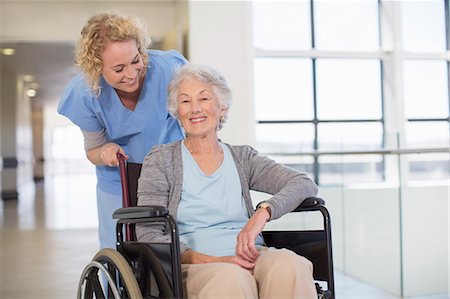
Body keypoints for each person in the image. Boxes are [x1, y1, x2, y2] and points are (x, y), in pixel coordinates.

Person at [136, 64, 318, 298]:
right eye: (185, 101)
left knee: (292, 265)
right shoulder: (161, 160)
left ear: (222, 108)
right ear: (177, 112)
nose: (195, 109)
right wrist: (210, 259)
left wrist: (262, 214)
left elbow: (303, 183)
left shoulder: (243, 158)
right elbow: (148, 233)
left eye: (204, 98)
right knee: (233, 278)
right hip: (193, 266)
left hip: (250, 254)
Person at [57, 12, 187, 250]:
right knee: (121, 248)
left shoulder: (168, 70)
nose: (132, 74)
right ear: (97, 68)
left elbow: (194, 112)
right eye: (118, 69)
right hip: (119, 179)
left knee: (176, 243)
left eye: (136, 60)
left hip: (169, 169)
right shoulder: (85, 94)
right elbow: (93, 150)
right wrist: (104, 151)